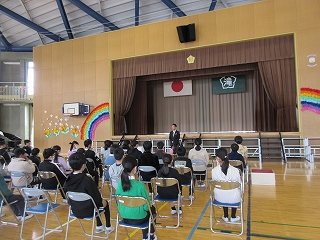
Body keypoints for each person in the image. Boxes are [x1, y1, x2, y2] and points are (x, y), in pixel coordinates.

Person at [64, 153, 114, 234]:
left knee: (94, 202)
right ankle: (107, 226)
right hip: (89, 211)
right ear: (83, 165)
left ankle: (99, 226)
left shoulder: (68, 180)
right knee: (104, 202)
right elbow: (97, 198)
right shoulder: (87, 179)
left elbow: (68, 197)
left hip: (75, 210)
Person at [115, 156, 157, 240]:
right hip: (140, 218)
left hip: (124, 216)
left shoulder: (119, 184)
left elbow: (118, 201)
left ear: (123, 167)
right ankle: (149, 236)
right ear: (135, 168)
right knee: (152, 210)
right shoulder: (140, 186)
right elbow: (146, 206)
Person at [212, 147, 241, 223]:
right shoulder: (235, 170)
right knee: (234, 190)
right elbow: (239, 183)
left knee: (223, 189)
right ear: (227, 156)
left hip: (219, 198)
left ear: (217, 158)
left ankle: (225, 215)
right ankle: (233, 216)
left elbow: (215, 184)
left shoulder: (214, 171)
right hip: (234, 198)